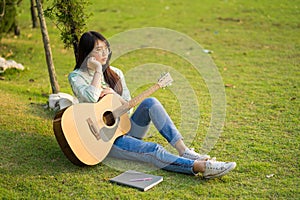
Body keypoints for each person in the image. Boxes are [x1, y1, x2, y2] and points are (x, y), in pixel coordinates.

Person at [68, 31, 236, 179]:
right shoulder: (77, 77)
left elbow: (129, 107)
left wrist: (113, 96)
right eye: (98, 50)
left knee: (151, 102)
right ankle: (201, 167)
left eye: (106, 48)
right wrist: (97, 70)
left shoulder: (116, 73)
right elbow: (90, 98)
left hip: (124, 128)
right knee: (152, 149)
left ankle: (184, 150)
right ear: (87, 52)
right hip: (104, 141)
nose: (104, 54)